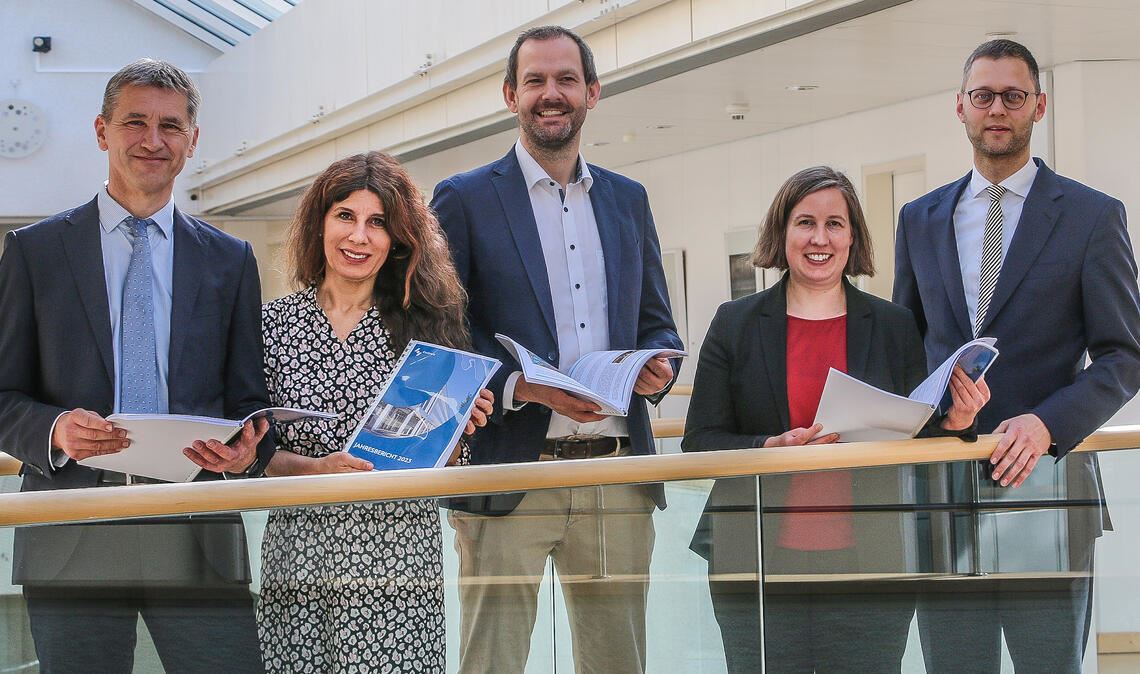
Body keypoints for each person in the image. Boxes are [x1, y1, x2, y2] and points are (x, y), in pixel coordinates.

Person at [0, 59, 272, 673]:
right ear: (102, 131)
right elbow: (3, 393)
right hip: (71, 527)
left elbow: (248, 400)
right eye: (135, 122)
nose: (153, 140)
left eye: (170, 126)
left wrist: (245, 450)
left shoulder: (229, 260)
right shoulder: (35, 252)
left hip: (195, 532)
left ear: (192, 141)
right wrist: (55, 430)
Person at [430, 25, 683, 674]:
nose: (551, 93)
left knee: (618, 665)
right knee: (493, 664)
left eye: (566, 79)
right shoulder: (464, 198)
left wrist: (656, 366)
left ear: (592, 92)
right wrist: (519, 386)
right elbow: (441, 332)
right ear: (510, 95)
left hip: (617, 478)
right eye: (535, 80)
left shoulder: (629, 200)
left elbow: (657, 323)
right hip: (508, 473)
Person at [893, 39, 1140, 673]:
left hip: (1049, 492)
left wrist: (1046, 424)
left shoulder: (1092, 216)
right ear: (960, 106)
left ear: (1039, 105)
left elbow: (1124, 356)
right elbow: (906, 352)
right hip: (943, 497)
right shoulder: (919, 219)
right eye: (983, 96)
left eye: (1013, 95)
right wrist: (936, 416)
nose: (997, 108)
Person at [683, 166, 989, 673]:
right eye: (805, 222)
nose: (819, 239)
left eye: (834, 224)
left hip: (873, 565)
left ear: (852, 237)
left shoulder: (893, 325)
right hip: (756, 564)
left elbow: (920, 433)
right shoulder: (735, 324)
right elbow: (699, 441)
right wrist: (768, 449)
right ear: (782, 233)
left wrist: (957, 420)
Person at [255, 151, 493, 673]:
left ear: (398, 239)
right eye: (345, 215)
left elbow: (448, 464)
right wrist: (314, 469)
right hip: (297, 555)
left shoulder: (428, 327)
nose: (359, 237)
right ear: (320, 223)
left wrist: (457, 430)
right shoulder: (271, 325)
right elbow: (258, 453)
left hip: (396, 556)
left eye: (378, 222)